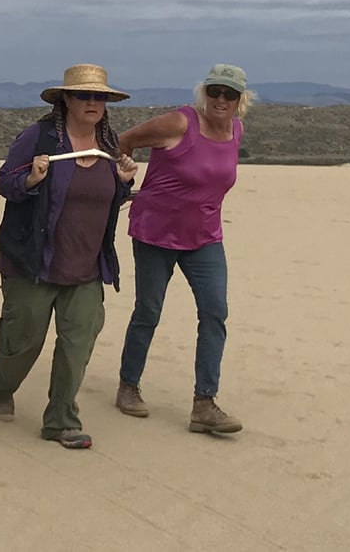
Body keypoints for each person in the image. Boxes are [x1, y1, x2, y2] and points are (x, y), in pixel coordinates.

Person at [0, 64, 138, 449]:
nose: (92, 103)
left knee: (78, 342)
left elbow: (109, 199)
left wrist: (124, 183)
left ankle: (61, 420)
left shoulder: (108, 144)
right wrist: (31, 179)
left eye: (99, 97)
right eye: (84, 95)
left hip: (86, 267)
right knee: (22, 344)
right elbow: (6, 182)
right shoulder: (38, 139)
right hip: (34, 264)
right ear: (66, 100)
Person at [114, 64, 255, 434]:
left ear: (241, 100)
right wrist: (122, 173)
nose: (221, 100)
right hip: (155, 233)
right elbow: (123, 140)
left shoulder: (236, 131)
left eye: (230, 94)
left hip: (205, 238)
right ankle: (128, 385)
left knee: (215, 312)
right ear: (204, 92)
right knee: (149, 310)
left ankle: (204, 403)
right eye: (215, 91)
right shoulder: (178, 123)